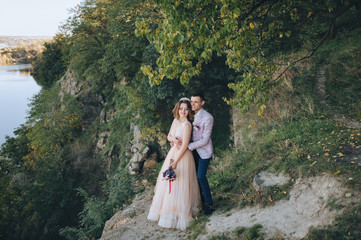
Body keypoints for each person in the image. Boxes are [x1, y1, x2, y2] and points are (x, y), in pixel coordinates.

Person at [147, 98, 201, 230]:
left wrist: (176, 161)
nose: (183, 111)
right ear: (178, 109)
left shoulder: (187, 125)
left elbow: (185, 146)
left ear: (189, 111)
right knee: (168, 183)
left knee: (181, 183)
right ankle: (168, 211)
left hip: (183, 157)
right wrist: (174, 140)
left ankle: (181, 214)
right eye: (181, 108)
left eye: (186, 109)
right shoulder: (176, 121)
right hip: (172, 153)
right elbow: (169, 136)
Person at [188, 93, 214, 215]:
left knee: (200, 176)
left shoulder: (208, 118)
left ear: (202, 103)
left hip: (204, 152)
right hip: (192, 152)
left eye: (196, 102)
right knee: (193, 177)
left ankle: (210, 203)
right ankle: (200, 200)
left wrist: (189, 146)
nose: (192, 104)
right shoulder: (189, 114)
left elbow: (205, 140)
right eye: (191, 101)